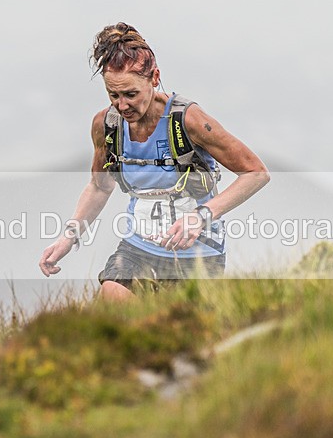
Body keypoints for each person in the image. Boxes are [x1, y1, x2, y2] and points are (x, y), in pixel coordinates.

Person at [39, 22, 270, 301]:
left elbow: (256, 173)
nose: (122, 106)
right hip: (138, 248)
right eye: (114, 95)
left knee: (181, 337)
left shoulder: (189, 120)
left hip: (199, 255)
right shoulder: (107, 125)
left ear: (154, 78)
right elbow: (100, 187)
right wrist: (69, 237)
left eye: (131, 94)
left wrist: (202, 215)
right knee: (112, 298)